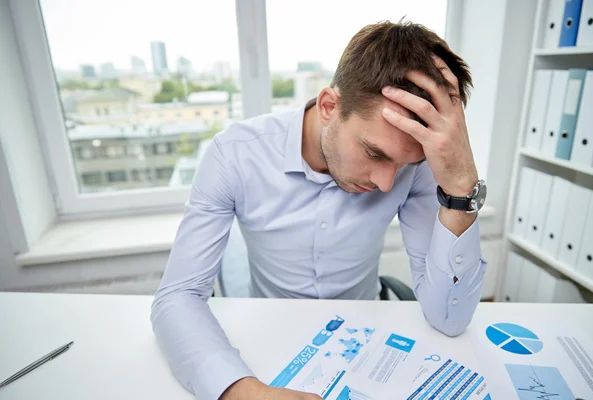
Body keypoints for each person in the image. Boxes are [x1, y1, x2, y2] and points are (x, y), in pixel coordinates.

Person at [151, 19, 487, 400]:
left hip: (365, 345)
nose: (385, 184)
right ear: (330, 106)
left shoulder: (417, 165)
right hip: (265, 343)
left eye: (403, 165)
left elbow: (449, 317)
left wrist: (461, 186)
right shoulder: (235, 154)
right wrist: (242, 393)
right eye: (374, 153)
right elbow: (177, 297)